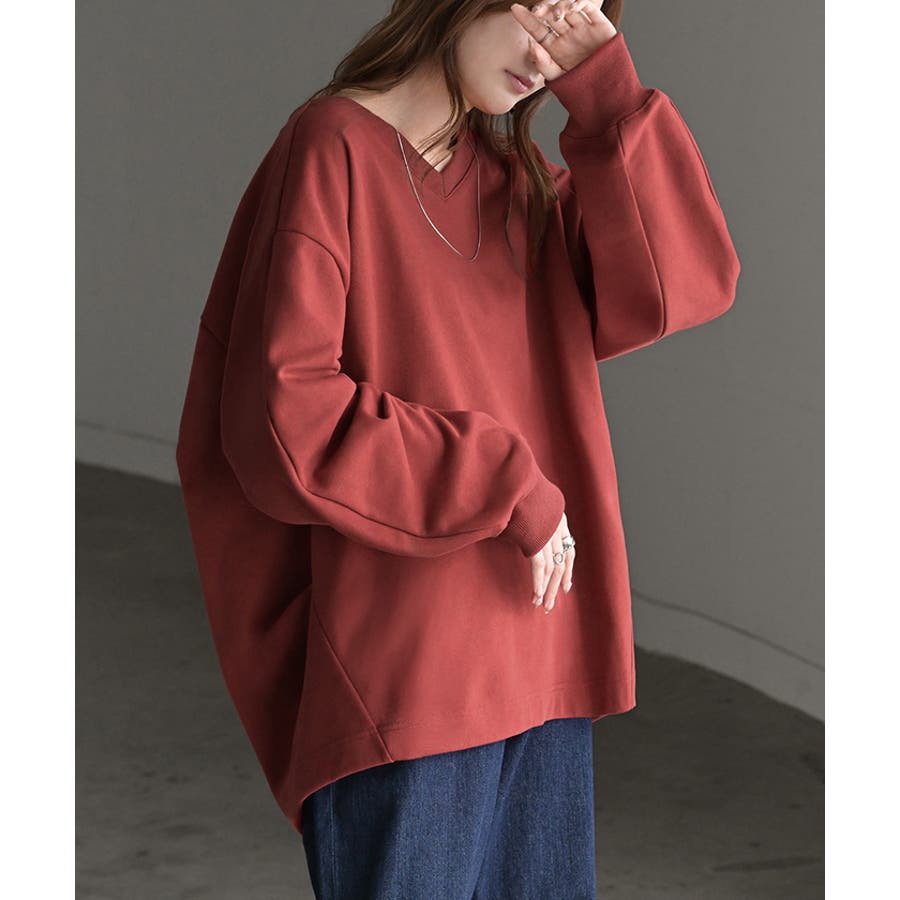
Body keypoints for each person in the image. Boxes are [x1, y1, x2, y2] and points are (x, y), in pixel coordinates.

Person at [175, 0, 740, 896]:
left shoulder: (521, 185)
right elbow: (284, 417)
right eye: (543, 10)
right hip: (410, 667)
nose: (548, 52)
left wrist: (608, 95)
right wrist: (505, 480)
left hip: (541, 656)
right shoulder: (332, 147)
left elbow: (687, 284)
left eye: (582, 20)